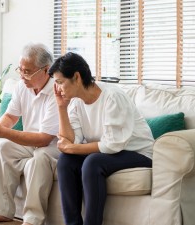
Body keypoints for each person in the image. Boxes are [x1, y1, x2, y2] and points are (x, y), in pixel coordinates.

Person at [48, 52, 154, 225]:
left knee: (93, 162)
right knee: (66, 161)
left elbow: (112, 144)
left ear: (76, 77)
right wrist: (61, 107)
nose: (58, 88)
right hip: (109, 152)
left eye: (60, 82)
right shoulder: (75, 101)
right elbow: (70, 141)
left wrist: (72, 148)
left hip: (138, 152)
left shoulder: (112, 96)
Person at [0, 43, 60, 225]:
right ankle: (1, 210)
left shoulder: (57, 90)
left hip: (54, 146)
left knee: (40, 157)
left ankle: (32, 219)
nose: (22, 76)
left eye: (27, 71)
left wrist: (1, 131)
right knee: (5, 147)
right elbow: (11, 116)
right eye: (20, 70)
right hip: (32, 142)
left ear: (46, 70)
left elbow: (45, 139)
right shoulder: (23, 86)